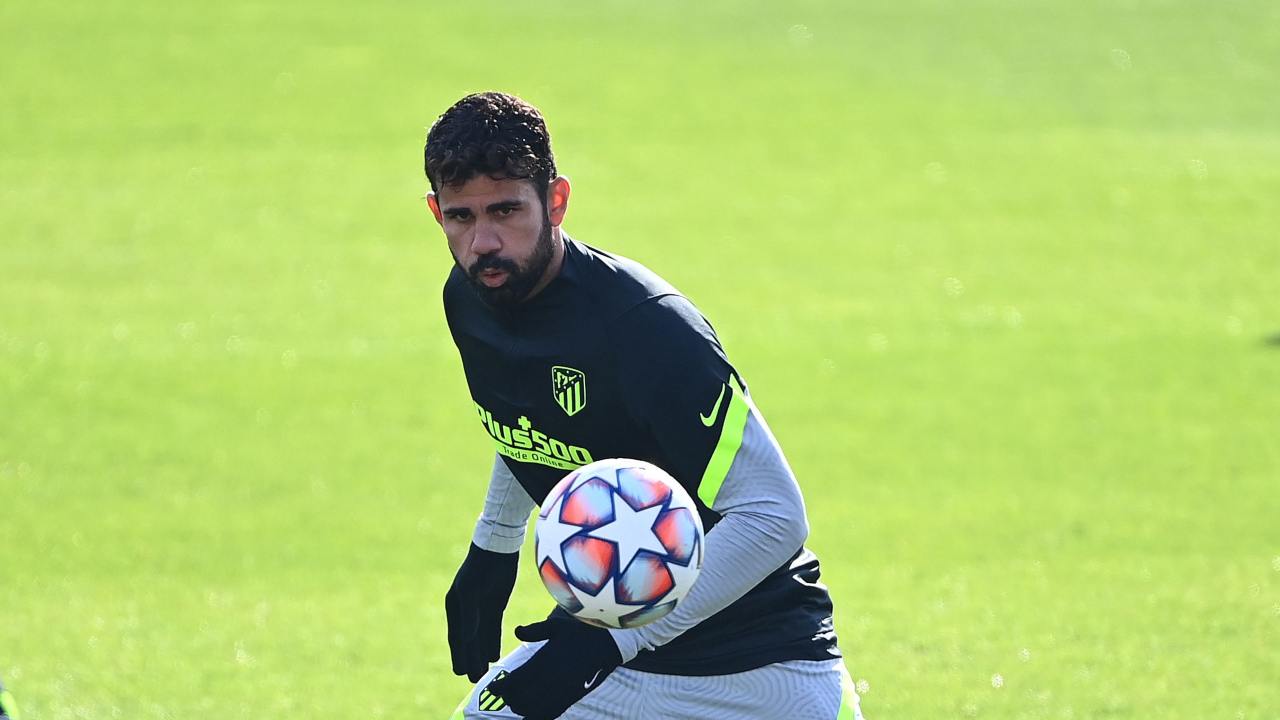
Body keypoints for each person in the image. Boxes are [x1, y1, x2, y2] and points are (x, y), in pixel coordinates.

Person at [426, 92, 864, 720]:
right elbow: (528, 422)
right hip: (622, 655)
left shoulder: (647, 329)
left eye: (506, 210)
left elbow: (774, 516)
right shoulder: (472, 298)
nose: (484, 242)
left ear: (556, 201)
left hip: (761, 668)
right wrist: (492, 547)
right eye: (461, 218)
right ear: (436, 212)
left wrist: (607, 641)